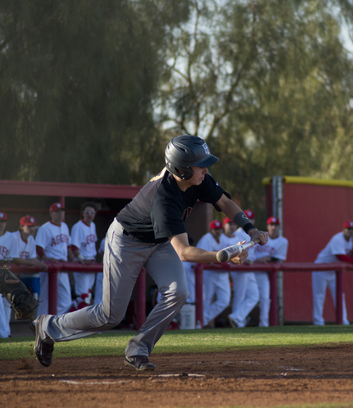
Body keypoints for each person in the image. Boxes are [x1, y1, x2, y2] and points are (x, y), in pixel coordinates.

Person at [32, 135, 267, 370]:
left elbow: (225, 202)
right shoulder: (164, 197)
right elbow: (184, 252)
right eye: (200, 165)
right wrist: (220, 256)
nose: (206, 170)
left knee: (178, 293)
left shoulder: (198, 180)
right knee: (110, 316)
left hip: (159, 242)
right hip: (127, 241)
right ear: (182, 170)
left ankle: (138, 349)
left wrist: (251, 228)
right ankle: (48, 326)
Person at [312, 220, 353, 325]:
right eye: (349, 229)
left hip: (334, 272)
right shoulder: (337, 238)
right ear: (344, 230)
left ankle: (343, 321)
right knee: (319, 296)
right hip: (321, 268)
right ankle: (318, 322)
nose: (351, 231)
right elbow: (341, 257)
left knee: (339, 296)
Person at [242, 216, 288, 327]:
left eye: (276, 225)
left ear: (279, 227)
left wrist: (266, 259)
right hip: (250, 270)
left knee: (265, 298)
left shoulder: (283, 241)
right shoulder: (261, 236)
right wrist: (258, 260)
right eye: (271, 225)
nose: (273, 227)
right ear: (267, 226)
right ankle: (240, 321)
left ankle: (264, 323)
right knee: (245, 296)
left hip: (263, 272)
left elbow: (278, 258)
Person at [35, 202, 76, 316]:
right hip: (49, 267)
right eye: (57, 211)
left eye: (62, 211)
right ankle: (38, 323)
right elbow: (38, 248)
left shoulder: (65, 226)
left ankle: (51, 321)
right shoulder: (45, 228)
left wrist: (74, 260)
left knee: (66, 301)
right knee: (46, 298)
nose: (60, 214)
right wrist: (47, 258)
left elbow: (68, 246)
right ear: (51, 213)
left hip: (62, 267)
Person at [227, 210, 260, 328]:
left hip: (249, 268)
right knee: (240, 295)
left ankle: (237, 317)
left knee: (254, 295)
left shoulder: (253, 232)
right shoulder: (237, 233)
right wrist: (246, 260)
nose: (250, 221)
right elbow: (233, 252)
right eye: (247, 218)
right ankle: (237, 323)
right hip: (239, 267)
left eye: (252, 219)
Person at [196, 220, 231, 328]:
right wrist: (219, 262)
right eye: (215, 229)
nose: (218, 231)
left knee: (225, 300)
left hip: (221, 274)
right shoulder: (207, 238)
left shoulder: (224, 239)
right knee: (205, 299)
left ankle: (203, 318)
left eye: (219, 229)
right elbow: (203, 257)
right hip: (209, 273)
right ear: (211, 230)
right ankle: (200, 323)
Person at [10, 215, 49, 307]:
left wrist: (39, 263)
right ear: (21, 227)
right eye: (28, 226)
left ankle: (34, 301)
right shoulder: (14, 237)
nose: (32, 229)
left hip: (19, 274)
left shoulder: (31, 239)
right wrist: (33, 262)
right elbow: (14, 259)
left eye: (33, 226)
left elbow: (32, 257)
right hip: (7, 273)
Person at [0, 211, 17, 338]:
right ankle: (3, 334)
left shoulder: (11, 237)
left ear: (6, 223)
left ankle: (4, 333)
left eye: (3, 221)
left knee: (6, 302)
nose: (0, 224)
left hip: (1, 274)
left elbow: (12, 259)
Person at [70, 202, 98, 311]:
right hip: (82, 264)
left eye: (92, 212)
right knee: (83, 299)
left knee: (88, 296)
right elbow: (74, 247)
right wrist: (82, 259)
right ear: (82, 213)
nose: (90, 214)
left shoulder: (93, 225)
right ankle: (67, 317)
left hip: (92, 263)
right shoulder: (78, 226)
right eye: (87, 212)